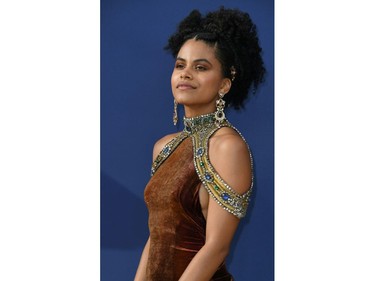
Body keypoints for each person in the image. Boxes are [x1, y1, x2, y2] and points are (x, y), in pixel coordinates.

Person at [134, 6, 265, 281]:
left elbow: (217, 247)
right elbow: (157, 236)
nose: (185, 74)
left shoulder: (227, 147)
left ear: (224, 85)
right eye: (180, 65)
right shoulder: (164, 147)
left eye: (200, 67)